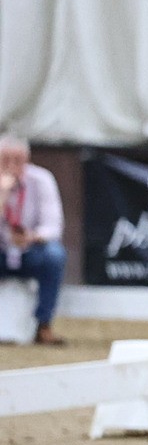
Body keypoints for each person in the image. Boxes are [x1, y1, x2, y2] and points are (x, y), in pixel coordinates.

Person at [0, 136, 67, 345]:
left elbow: (53, 226)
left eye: (17, 161)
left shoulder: (41, 180)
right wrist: (2, 194)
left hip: (30, 251)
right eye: (4, 160)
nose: (11, 166)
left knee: (54, 255)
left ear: (27, 160)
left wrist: (31, 237)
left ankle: (43, 325)